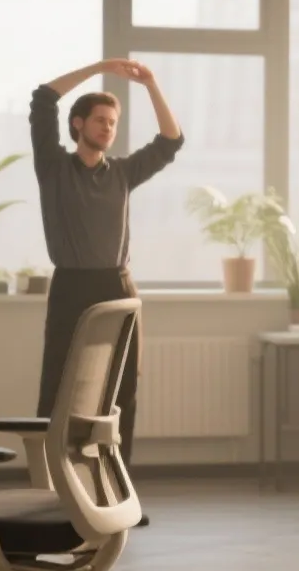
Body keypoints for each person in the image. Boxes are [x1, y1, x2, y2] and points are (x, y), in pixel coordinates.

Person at [30, 59, 184, 474]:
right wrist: (99, 68)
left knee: (121, 390)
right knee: (59, 386)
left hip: (118, 286)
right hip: (71, 288)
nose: (107, 127)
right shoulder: (54, 168)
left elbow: (171, 141)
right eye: (99, 120)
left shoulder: (122, 172)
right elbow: (44, 98)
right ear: (78, 124)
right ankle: (51, 484)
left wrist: (151, 83)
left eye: (112, 122)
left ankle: (118, 485)